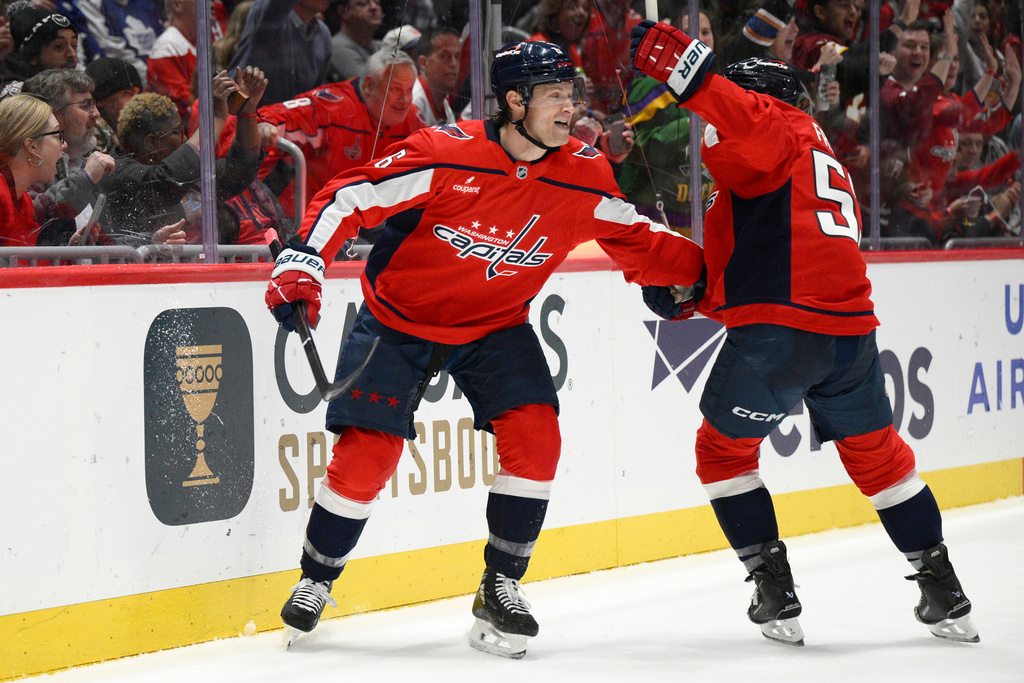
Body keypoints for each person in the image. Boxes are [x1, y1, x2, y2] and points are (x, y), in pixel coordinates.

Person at [263, 40, 705, 659]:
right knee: (368, 454)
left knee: (537, 436)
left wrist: (716, 281)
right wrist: (303, 261)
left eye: (571, 95)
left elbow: (641, 238)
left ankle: (500, 584)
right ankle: (316, 578)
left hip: (495, 324)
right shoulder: (445, 154)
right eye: (555, 95)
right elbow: (349, 196)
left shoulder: (582, 174)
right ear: (515, 101)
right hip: (400, 318)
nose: (570, 107)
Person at [630, 20, 979, 645]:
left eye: (724, 113)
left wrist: (687, 70)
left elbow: (737, 111)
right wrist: (694, 296)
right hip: (849, 337)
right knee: (883, 463)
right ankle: (945, 593)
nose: (710, 130)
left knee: (721, 453)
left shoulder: (776, 129)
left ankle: (775, 591)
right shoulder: (805, 157)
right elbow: (771, 264)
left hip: (783, 335)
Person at [97, 68, 266, 242]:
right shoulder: (116, 171)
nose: (185, 138)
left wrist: (247, 110)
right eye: (176, 132)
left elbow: (240, 171)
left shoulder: (186, 168)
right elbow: (166, 180)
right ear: (151, 141)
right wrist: (215, 117)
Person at [255, 48, 423, 221]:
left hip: (370, 218)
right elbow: (274, 116)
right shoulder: (331, 107)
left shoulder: (412, 119)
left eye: (410, 90)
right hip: (312, 218)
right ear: (369, 85)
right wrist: (265, 124)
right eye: (396, 89)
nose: (405, 99)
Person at [21, 68, 116, 240]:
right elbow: (28, 219)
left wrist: (153, 243)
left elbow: (105, 241)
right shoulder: (27, 160)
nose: (96, 113)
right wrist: (84, 179)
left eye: (94, 104)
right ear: (54, 114)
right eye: (86, 105)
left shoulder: (84, 163)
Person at [228, 0, 331, 106]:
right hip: (241, 114)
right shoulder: (270, 16)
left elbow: (315, 91)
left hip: (288, 118)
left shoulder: (323, 34)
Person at [0, 93, 66, 246]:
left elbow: (21, 263)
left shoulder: (24, 201)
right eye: (57, 135)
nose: (64, 145)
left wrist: (70, 251)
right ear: (31, 145)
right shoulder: (2, 197)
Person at [0, 3, 76, 90]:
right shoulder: (13, 92)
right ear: (33, 54)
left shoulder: (81, 88)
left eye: (74, 45)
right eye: (59, 47)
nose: (72, 54)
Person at [85, 56, 143, 154]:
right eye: (126, 94)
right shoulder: (95, 134)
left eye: (137, 94)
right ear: (101, 100)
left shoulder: (132, 129)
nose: (137, 101)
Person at [412, 27, 459, 126]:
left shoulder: (444, 105)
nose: (454, 64)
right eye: (445, 56)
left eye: (457, 56)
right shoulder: (415, 101)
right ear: (423, 63)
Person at [329, 0, 382, 81]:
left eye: (377, 2)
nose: (374, 7)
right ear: (343, 12)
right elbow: (371, 83)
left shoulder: (380, 45)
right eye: (363, 4)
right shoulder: (338, 47)